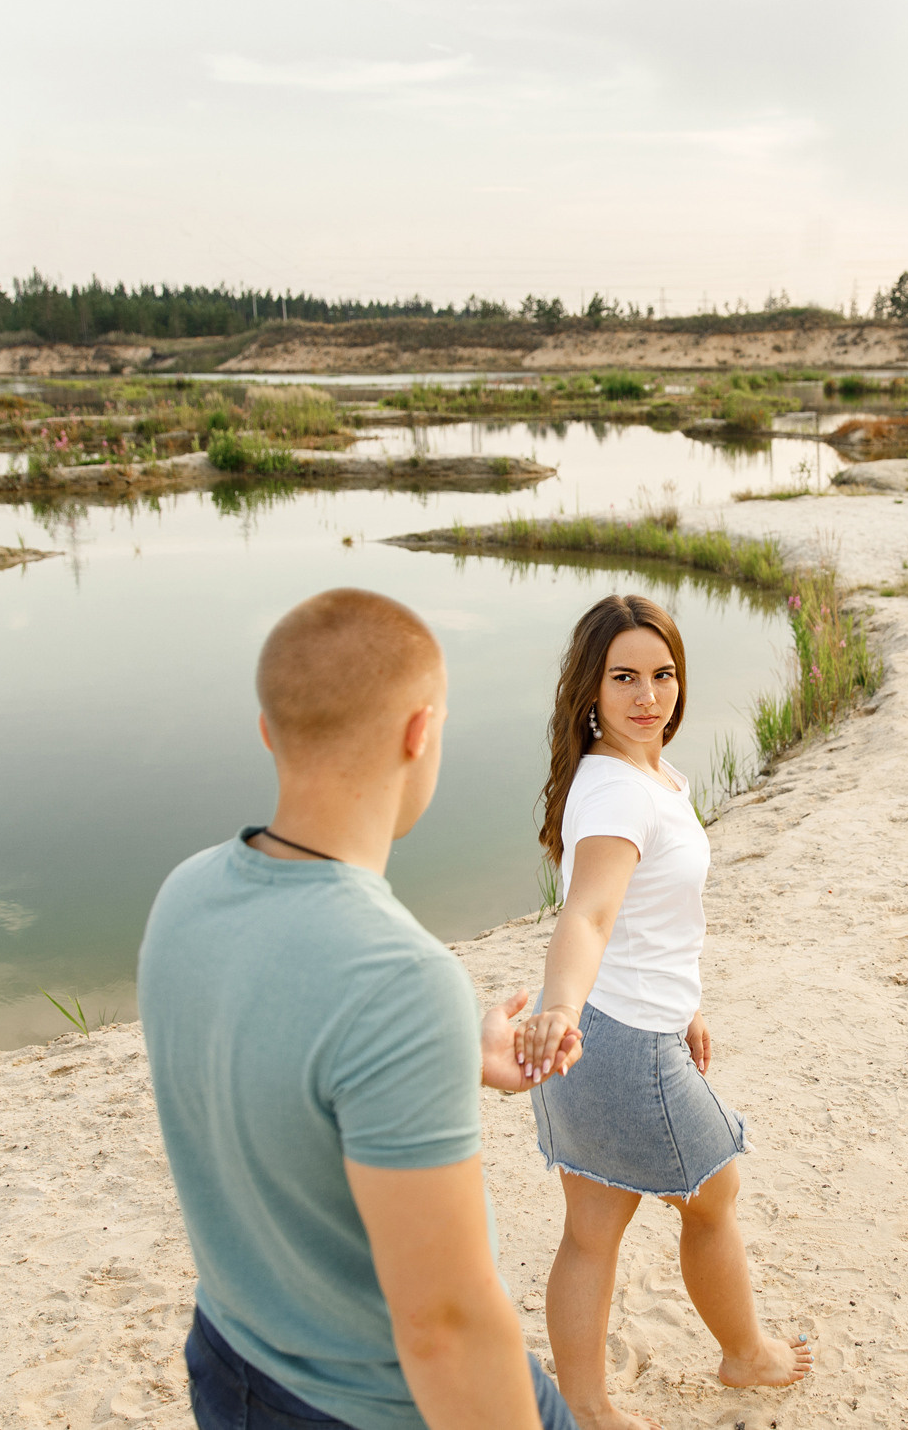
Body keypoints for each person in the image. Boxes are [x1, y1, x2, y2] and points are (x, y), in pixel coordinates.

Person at [139, 588, 582, 1430]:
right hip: (374, 1406)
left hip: (232, 1363)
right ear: (422, 731)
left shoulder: (186, 892)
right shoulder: (399, 979)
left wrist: (453, 1051)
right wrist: (428, 1027)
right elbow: (444, 1325)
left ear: (270, 730)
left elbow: (288, 1053)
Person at [515, 594, 813, 1430]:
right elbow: (589, 914)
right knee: (715, 1191)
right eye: (624, 678)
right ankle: (746, 1352)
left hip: (613, 1026)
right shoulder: (617, 790)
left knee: (591, 1227)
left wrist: (687, 1004)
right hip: (612, 1041)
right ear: (590, 690)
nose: (648, 694)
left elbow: (650, 917)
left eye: (663, 673)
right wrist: (564, 1006)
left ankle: (583, 1403)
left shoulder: (644, 771)